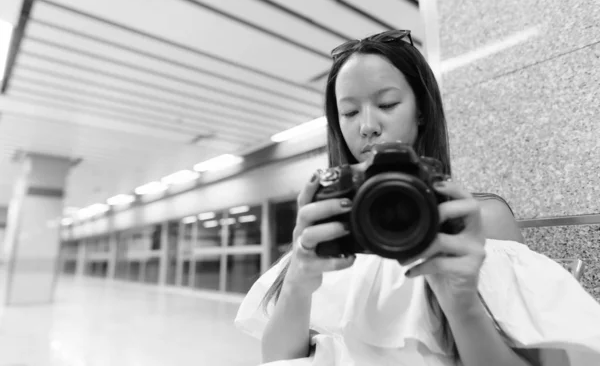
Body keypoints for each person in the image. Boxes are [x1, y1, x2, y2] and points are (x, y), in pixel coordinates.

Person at [235, 30, 600, 366]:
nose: (367, 125)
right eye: (348, 112)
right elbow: (279, 359)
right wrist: (299, 278)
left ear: (421, 110)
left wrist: (462, 304)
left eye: (388, 104)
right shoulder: (329, 229)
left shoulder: (479, 221)